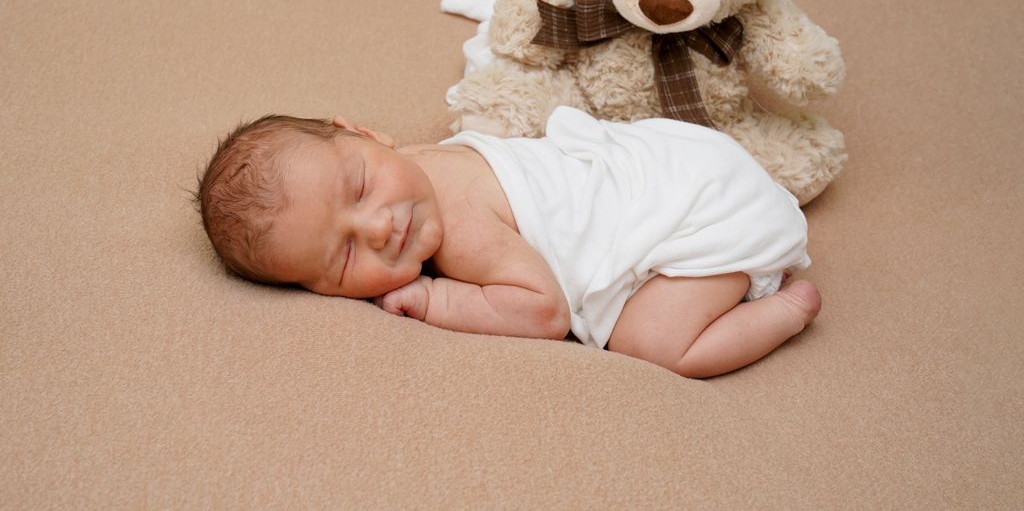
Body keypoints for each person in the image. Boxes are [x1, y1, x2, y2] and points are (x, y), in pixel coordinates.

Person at [196, 106, 821, 378]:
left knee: (652, 344)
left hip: (701, 214)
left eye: (359, 188)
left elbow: (545, 312)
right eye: (346, 255)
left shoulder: (463, 231)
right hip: (684, 158)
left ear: (363, 133)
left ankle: (785, 310)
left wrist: (437, 301)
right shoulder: (417, 159)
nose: (380, 227)